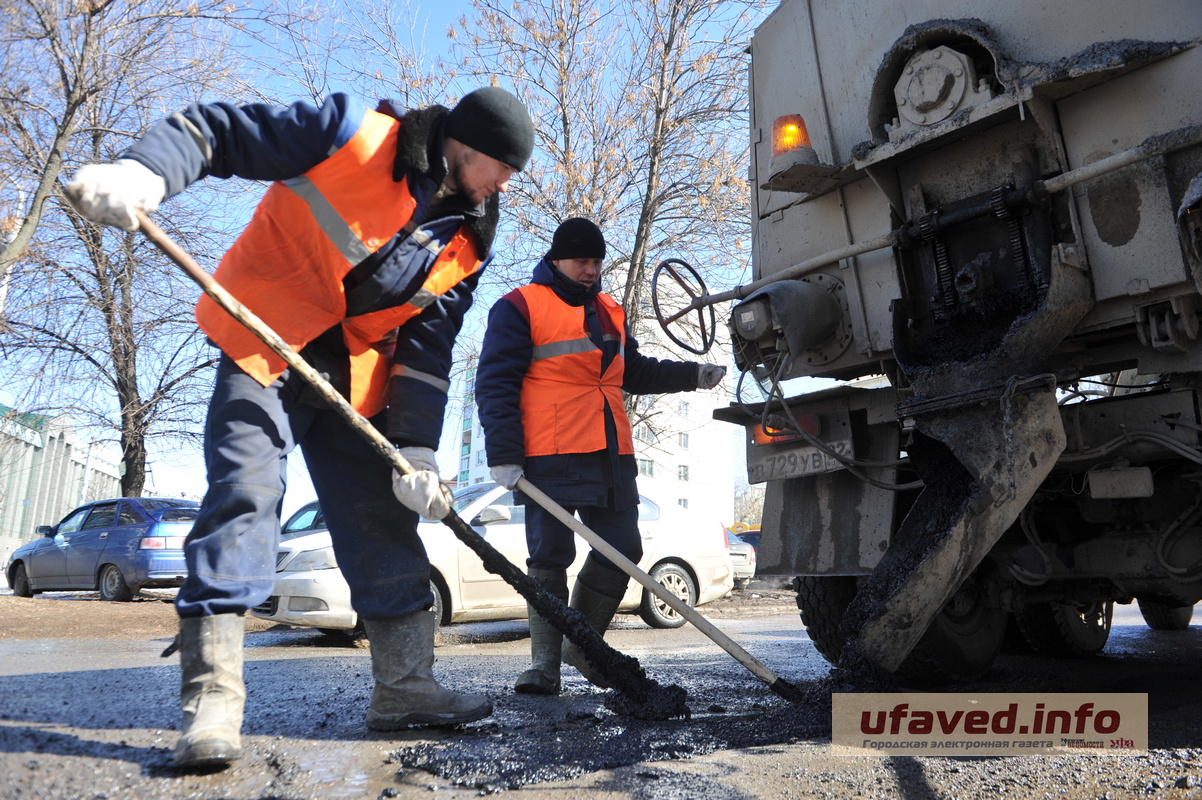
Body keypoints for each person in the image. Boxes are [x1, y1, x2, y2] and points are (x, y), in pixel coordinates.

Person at [64, 86, 535, 768]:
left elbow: (430, 349)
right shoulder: (352, 133)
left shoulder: (470, 239)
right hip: (266, 340)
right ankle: (212, 707)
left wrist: (417, 449)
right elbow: (220, 130)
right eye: (502, 166)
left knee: (381, 522)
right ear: (466, 145)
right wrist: (145, 170)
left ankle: (405, 689)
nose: (506, 184)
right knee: (245, 494)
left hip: (353, 375)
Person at [474, 217, 726, 695]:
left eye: (596, 262)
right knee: (549, 556)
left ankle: (581, 645)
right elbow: (495, 384)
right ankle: (544, 667)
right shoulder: (519, 307)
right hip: (548, 455)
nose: (590, 270)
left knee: (623, 548)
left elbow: (633, 372)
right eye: (581, 261)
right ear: (556, 260)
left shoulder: (610, 310)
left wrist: (693, 374)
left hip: (610, 453)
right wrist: (503, 454)